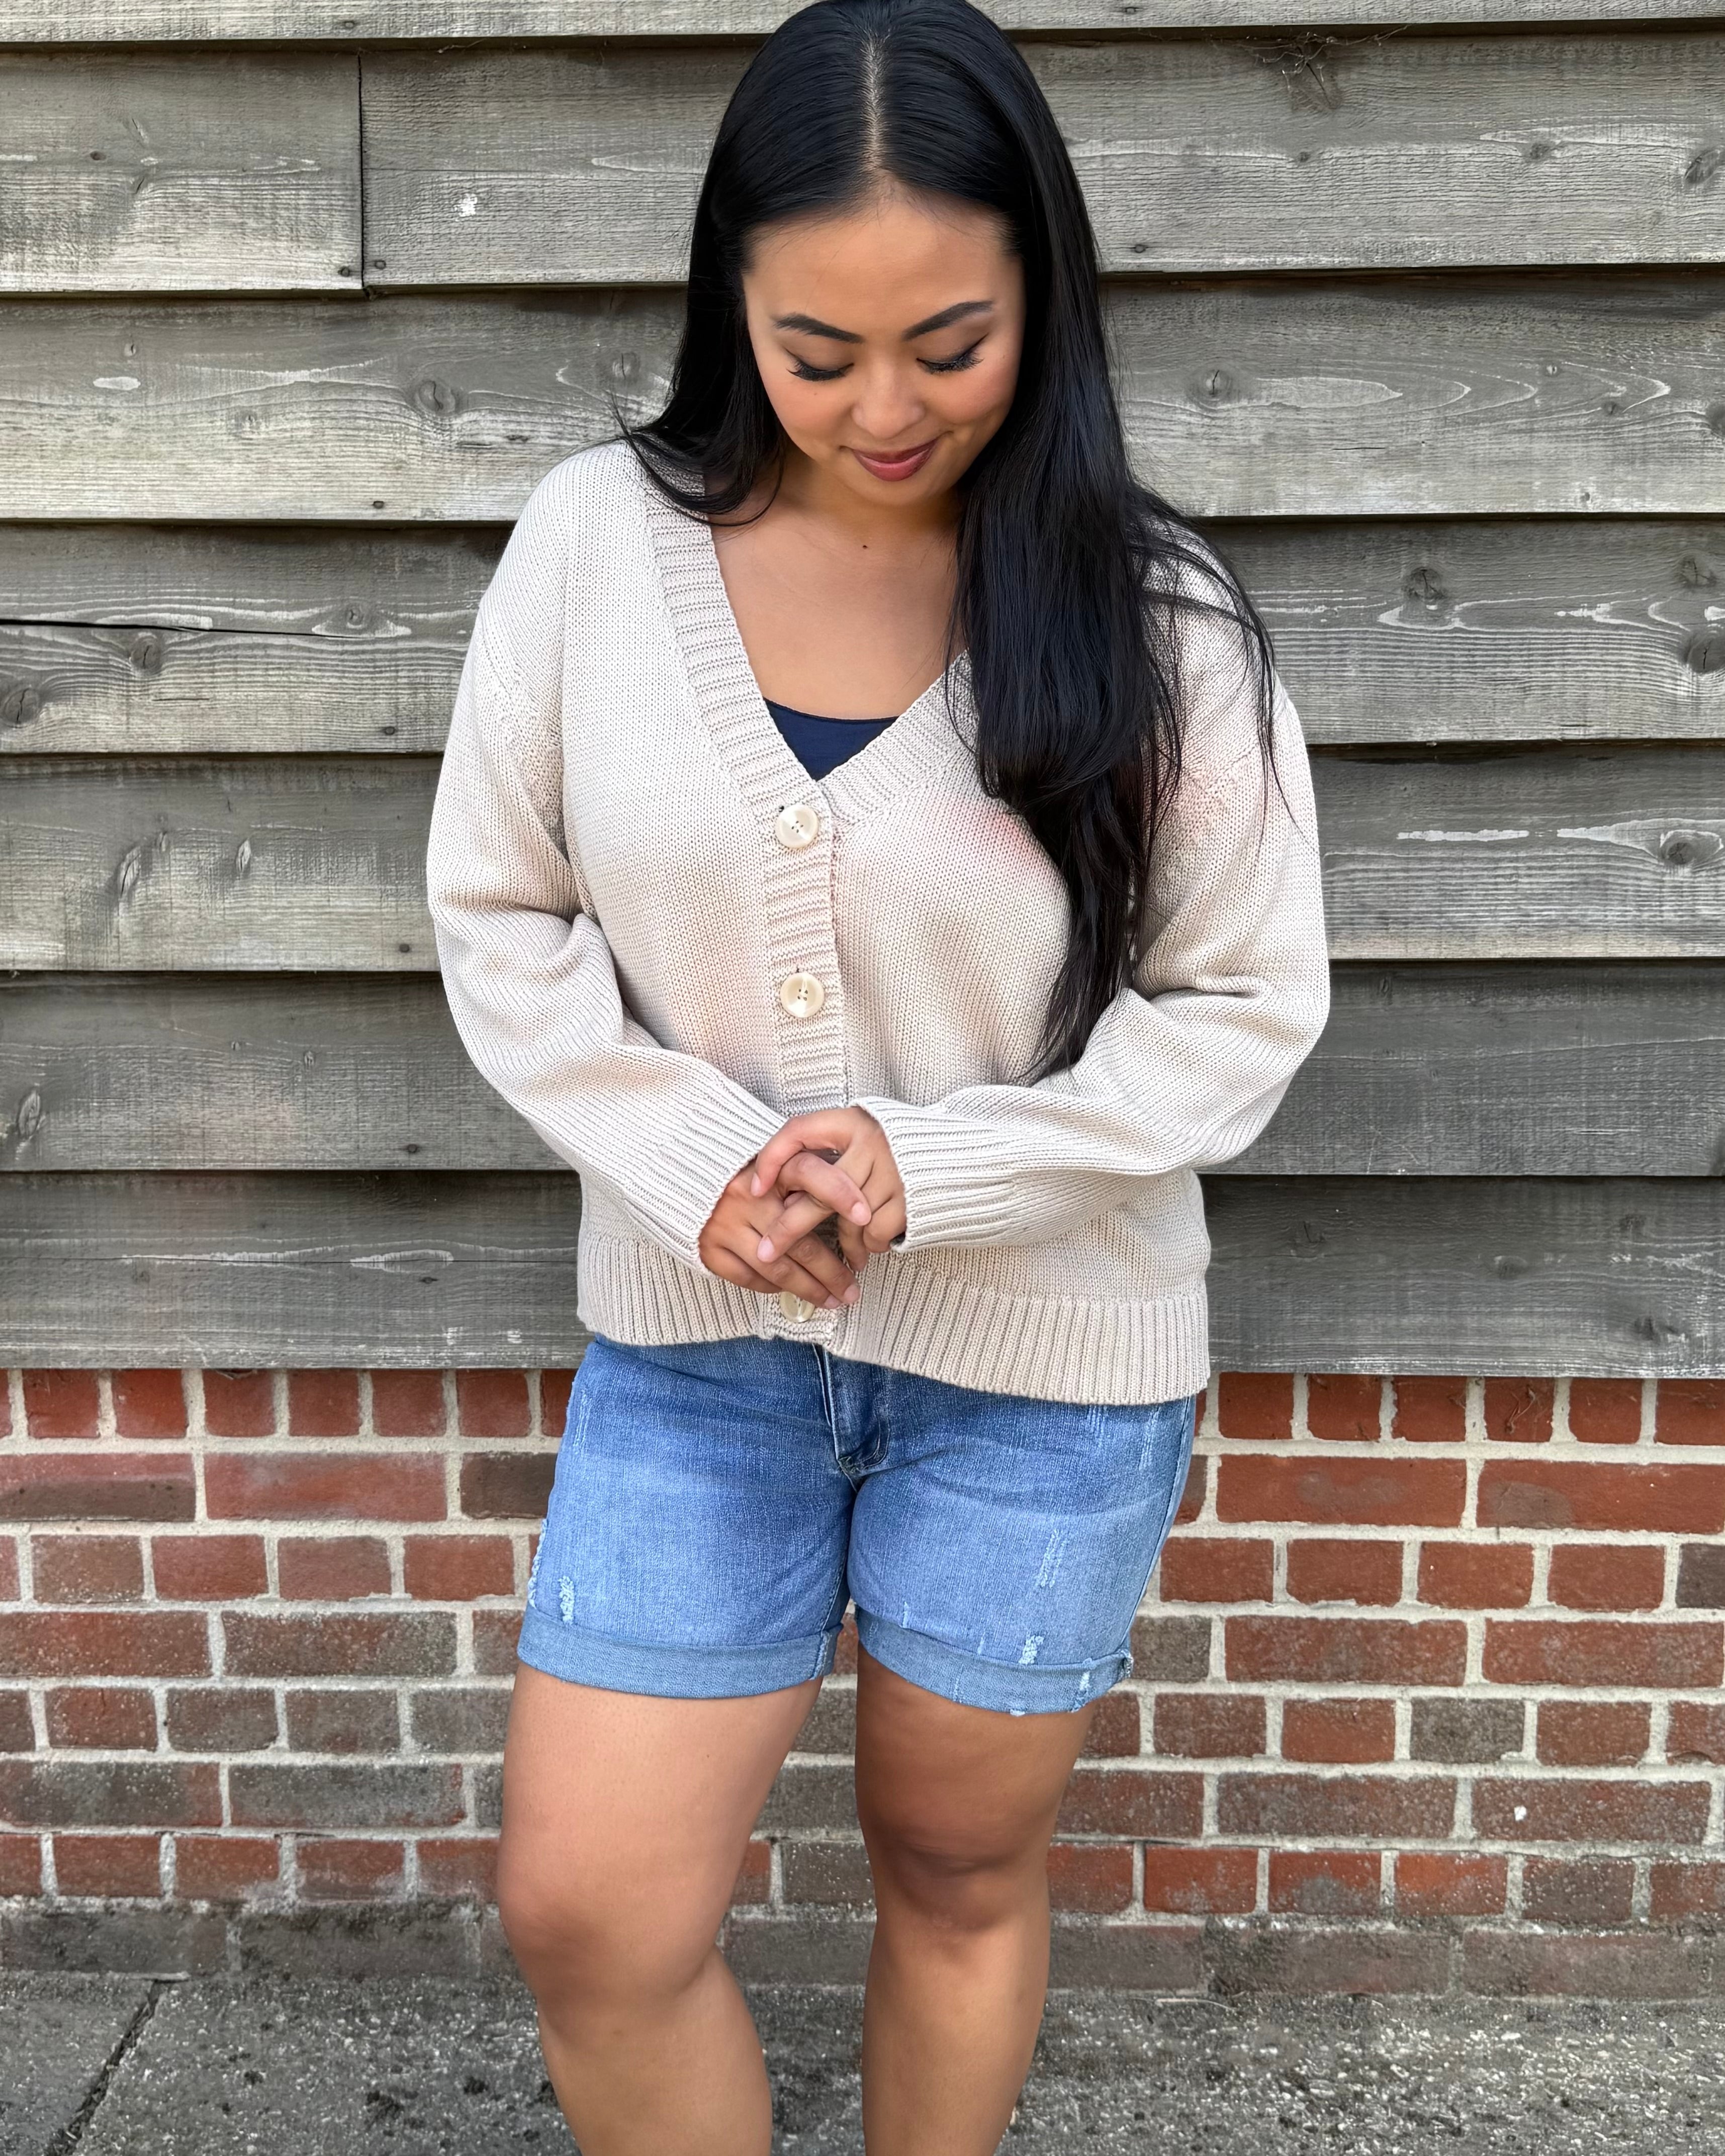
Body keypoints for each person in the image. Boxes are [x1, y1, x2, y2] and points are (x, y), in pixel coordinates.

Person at [423, 1, 1330, 2146]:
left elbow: (1242, 1003)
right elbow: (501, 909)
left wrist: (939, 1169)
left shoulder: (1153, 618)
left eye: (953, 339)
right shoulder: (589, 552)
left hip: (1048, 1367)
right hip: (694, 1348)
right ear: (730, 298)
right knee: (590, 1912)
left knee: (953, 1869)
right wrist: (700, 1157)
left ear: (1048, 298)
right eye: (817, 351)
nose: (886, 406)